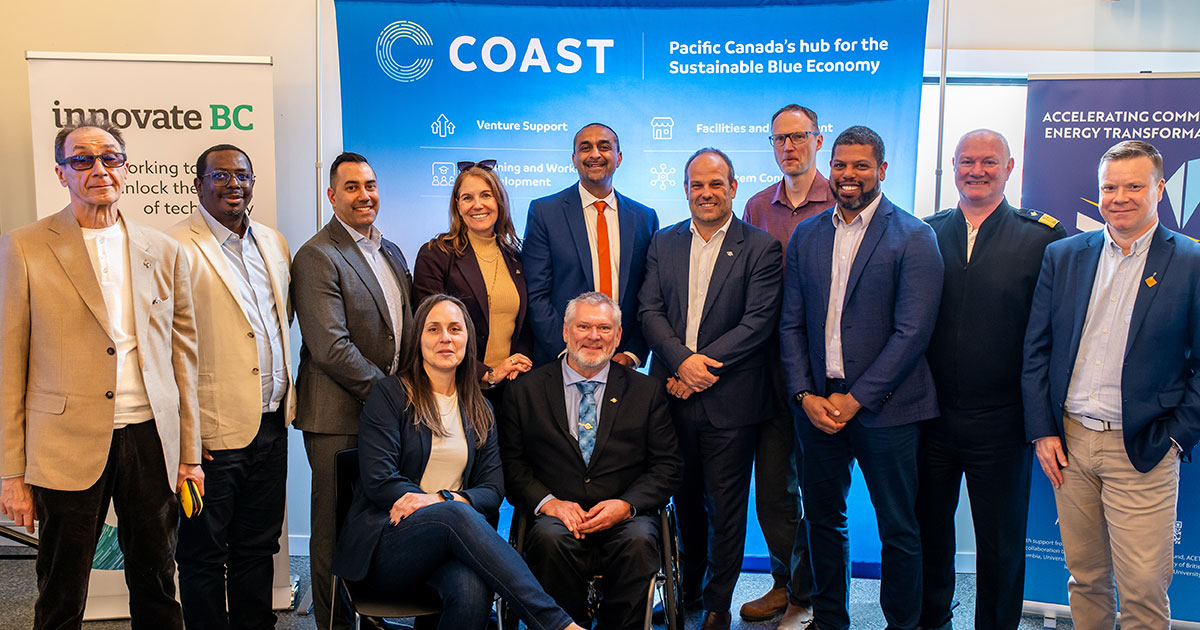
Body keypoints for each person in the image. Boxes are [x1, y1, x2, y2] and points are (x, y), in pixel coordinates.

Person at [0, 116, 203, 629]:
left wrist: (190, 455)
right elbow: (8, 364)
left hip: (151, 438)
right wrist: (11, 473)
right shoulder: (24, 247)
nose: (99, 169)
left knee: (157, 581)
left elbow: (185, 358)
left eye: (110, 158)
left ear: (126, 168)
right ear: (61, 172)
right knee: (61, 590)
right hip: (64, 441)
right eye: (82, 159)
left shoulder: (164, 250)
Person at [1023, 140, 1200, 630]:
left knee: (1143, 588)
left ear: (1160, 189)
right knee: (1085, 577)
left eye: (1134, 186)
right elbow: (1036, 350)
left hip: (1143, 444)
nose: (1119, 197)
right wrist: (1042, 431)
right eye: (1109, 187)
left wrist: (1177, 436)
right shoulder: (1063, 255)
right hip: (1071, 443)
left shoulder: (1190, 261)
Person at [331, 294, 584, 630]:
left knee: (471, 588)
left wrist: (441, 499)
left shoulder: (481, 409)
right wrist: (445, 505)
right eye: (433, 329)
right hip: (388, 545)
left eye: (455, 329)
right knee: (454, 511)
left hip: (451, 546)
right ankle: (556, 624)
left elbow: (493, 490)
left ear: (468, 339)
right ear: (418, 339)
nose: (445, 338)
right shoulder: (390, 395)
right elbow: (379, 480)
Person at [778, 126, 943, 630]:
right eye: (841, 165)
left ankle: (902, 624)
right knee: (823, 521)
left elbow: (912, 333)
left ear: (882, 170)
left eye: (861, 166)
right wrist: (805, 394)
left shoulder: (914, 236)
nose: (849, 175)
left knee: (899, 528)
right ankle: (830, 620)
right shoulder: (808, 233)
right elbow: (791, 323)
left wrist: (857, 400)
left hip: (889, 411)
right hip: (818, 408)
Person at [918, 130, 1064, 630]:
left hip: (1003, 423)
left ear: (1010, 167)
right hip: (929, 419)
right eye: (966, 161)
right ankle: (932, 618)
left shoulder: (1043, 238)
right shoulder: (925, 233)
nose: (976, 170)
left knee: (1001, 544)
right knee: (928, 533)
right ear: (953, 165)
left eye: (988, 161)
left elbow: (1052, 337)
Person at [639, 148, 784, 630]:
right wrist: (681, 363)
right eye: (697, 185)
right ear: (685, 190)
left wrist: (699, 369)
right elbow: (650, 312)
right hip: (672, 398)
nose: (706, 193)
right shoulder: (663, 242)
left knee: (727, 507)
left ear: (733, 188)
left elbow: (758, 323)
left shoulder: (761, 247)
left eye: (716, 184)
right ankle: (688, 592)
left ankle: (719, 601)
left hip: (731, 401)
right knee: (683, 503)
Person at [168, 143, 295, 630]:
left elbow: (279, 321)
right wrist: (187, 436)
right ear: (196, 182)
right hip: (212, 434)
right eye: (220, 176)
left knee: (259, 545)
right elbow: (168, 349)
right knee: (202, 552)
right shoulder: (176, 246)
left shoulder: (273, 242)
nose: (233, 185)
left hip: (271, 422)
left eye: (241, 175)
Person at [500, 291, 682, 630]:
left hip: (626, 516)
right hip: (557, 516)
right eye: (583, 326)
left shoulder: (646, 392)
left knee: (641, 541)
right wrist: (549, 503)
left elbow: (668, 466)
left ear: (618, 336)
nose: (593, 336)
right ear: (566, 332)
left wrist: (626, 505)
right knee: (549, 540)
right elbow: (512, 465)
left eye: (603, 328)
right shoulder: (525, 391)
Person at [292, 151, 413, 630]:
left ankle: (372, 615)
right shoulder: (317, 255)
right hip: (338, 418)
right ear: (331, 195)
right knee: (332, 530)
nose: (365, 196)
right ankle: (335, 624)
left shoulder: (391, 251)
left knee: (375, 525)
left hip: (387, 414)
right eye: (352, 187)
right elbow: (330, 347)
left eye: (371, 185)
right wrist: (392, 398)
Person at [739, 104, 830, 628]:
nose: (788, 146)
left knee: (818, 489)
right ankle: (785, 584)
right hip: (768, 368)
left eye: (798, 136)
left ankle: (810, 593)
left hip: (823, 371)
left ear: (818, 140)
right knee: (775, 488)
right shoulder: (755, 206)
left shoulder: (838, 198)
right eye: (779, 139)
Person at [523, 123, 658, 366]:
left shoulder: (644, 218)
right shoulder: (545, 212)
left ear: (618, 158)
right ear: (574, 159)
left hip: (622, 365)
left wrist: (632, 354)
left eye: (604, 147)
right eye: (586, 148)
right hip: (562, 363)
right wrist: (568, 353)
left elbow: (649, 297)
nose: (595, 154)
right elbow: (536, 295)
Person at [413, 159, 533, 402]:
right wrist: (487, 374)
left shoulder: (516, 258)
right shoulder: (436, 254)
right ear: (457, 206)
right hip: (456, 388)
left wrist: (516, 365)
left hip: (510, 390)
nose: (477, 205)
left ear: (499, 202)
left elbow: (524, 325)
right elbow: (430, 329)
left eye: (486, 195)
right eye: (467, 198)